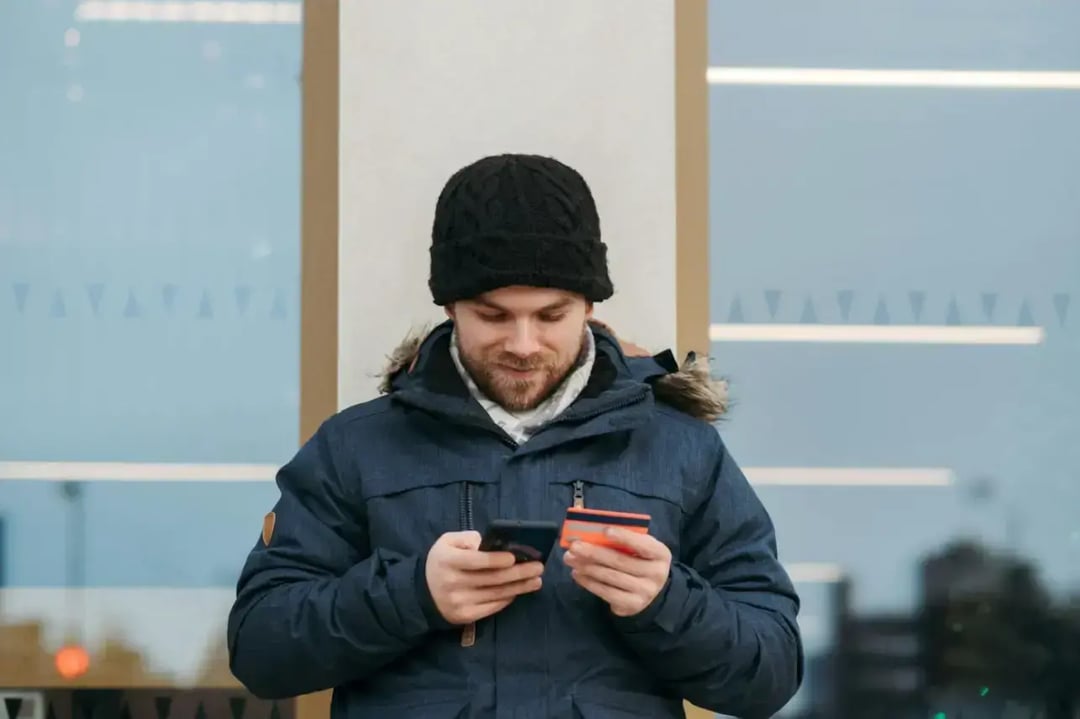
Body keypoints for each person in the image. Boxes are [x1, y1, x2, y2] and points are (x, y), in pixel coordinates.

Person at [226, 154, 803, 718]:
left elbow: (770, 675)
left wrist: (666, 601)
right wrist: (410, 594)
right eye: (494, 315)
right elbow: (261, 650)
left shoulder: (682, 451)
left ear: (590, 305)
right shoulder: (354, 447)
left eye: (551, 315)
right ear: (450, 305)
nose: (524, 344)